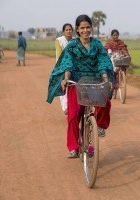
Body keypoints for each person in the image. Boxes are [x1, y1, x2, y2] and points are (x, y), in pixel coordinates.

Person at [47, 14, 113, 158]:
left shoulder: (97, 45)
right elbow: (67, 63)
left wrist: (106, 78)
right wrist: (65, 79)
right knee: (73, 114)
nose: (85, 30)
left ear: (91, 28)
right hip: (76, 82)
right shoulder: (72, 46)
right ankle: (73, 147)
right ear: (77, 29)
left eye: (87, 27)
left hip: (95, 80)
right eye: (82, 28)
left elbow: (103, 62)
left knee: (105, 101)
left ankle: (100, 126)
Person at [55, 23, 74, 115]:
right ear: (64, 31)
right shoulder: (59, 40)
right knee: (64, 85)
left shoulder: (76, 41)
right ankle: (65, 107)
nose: (68, 31)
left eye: (70, 29)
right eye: (67, 30)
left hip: (75, 66)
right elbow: (59, 55)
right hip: (62, 65)